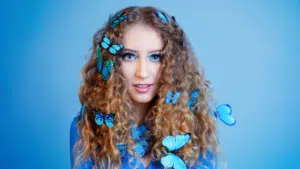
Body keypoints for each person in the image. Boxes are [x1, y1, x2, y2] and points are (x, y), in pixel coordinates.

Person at [70, 6, 226, 169]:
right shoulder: (87, 126)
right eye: (129, 56)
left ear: (174, 65)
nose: (142, 72)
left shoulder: (196, 125)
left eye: (156, 57)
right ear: (113, 62)